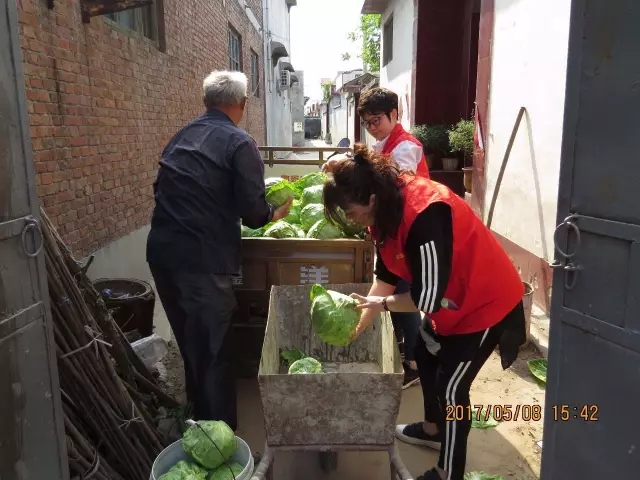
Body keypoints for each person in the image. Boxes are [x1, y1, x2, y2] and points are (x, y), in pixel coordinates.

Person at [322, 144, 526, 480]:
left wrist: (382, 306)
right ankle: (434, 430)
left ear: (370, 199)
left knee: (452, 389)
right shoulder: (383, 209)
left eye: (350, 211)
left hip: (485, 302)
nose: (350, 219)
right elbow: (386, 277)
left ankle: (448, 472)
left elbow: (426, 300)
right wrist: (358, 325)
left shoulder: (424, 213)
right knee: (424, 353)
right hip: (451, 300)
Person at [146, 71, 292, 431]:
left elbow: (161, 188)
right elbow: (254, 213)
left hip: (163, 253)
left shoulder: (182, 136)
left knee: (191, 342)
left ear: (205, 102)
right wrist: (275, 213)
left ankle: (197, 420)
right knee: (212, 349)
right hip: (202, 260)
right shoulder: (239, 143)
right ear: (241, 104)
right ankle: (220, 439)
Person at [325, 86, 430, 388]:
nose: (372, 128)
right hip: (394, 231)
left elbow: (395, 181)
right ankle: (408, 353)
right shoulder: (384, 143)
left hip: (411, 233)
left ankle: (414, 363)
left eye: (377, 120)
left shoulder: (407, 146)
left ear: (395, 114)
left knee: (406, 296)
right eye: (367, 122)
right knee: (393, 293)